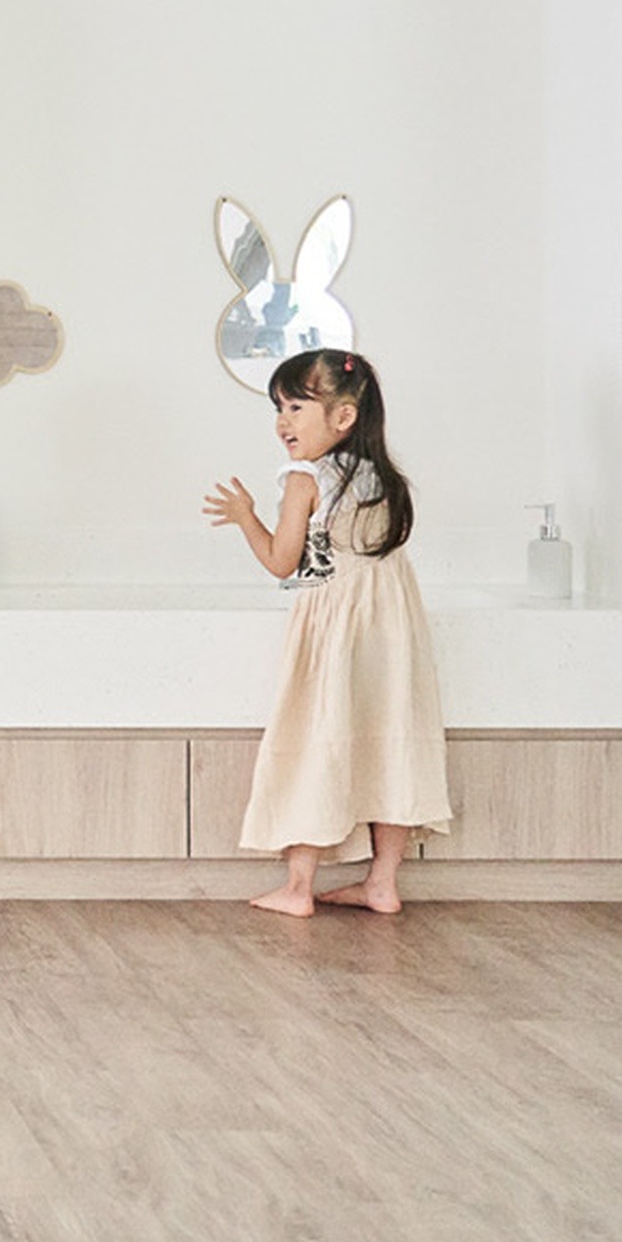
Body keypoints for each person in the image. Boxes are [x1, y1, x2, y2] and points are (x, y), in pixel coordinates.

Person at [199, 349, 449, 916]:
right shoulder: (381, 478)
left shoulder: (304, 478)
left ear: (342, 419)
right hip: (394, 631)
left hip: (337, 631)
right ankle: (382, 882)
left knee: (317, 744)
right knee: (390, 747)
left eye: (295, 406)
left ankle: (297, 887)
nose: (282, 421)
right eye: (279, 407)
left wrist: (245, 517)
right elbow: (338, 557)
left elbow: (284, 562)